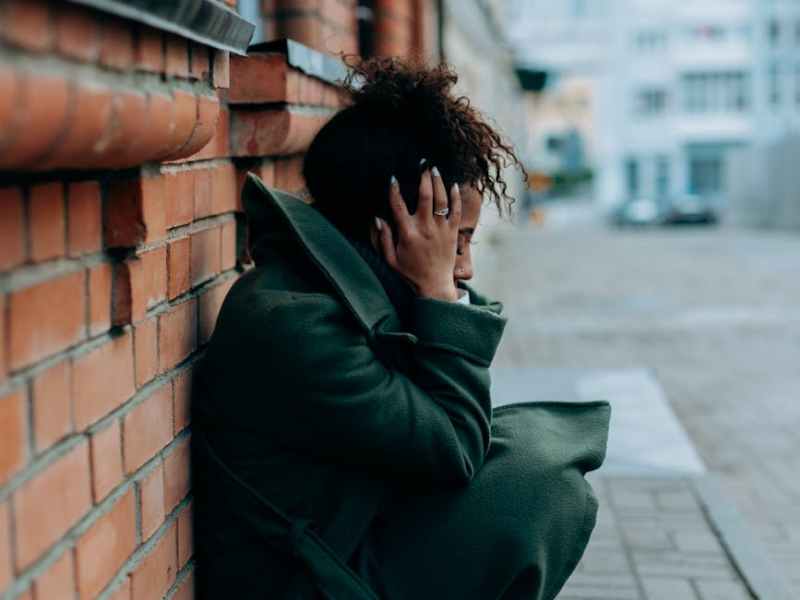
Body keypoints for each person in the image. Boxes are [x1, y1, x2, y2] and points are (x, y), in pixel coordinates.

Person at [192, 57, 610, 600]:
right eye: (453, 241)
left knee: (533, 444)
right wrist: (437, 294)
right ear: (394, 230)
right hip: (305, 578)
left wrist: (436, 291)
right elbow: (455, 447)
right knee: (540, 490)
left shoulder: (333, 288)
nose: (464, 268)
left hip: (347, 534)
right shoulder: (297, 325)